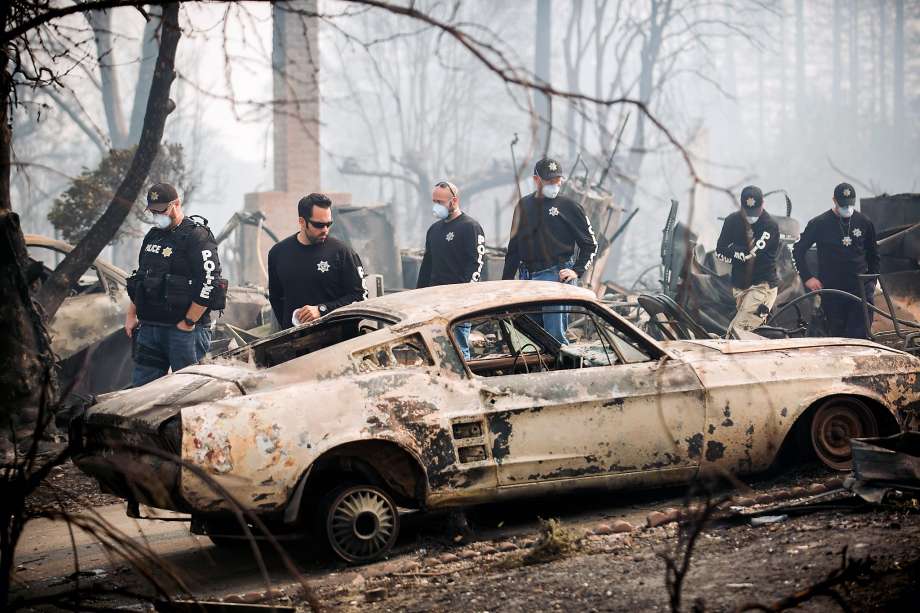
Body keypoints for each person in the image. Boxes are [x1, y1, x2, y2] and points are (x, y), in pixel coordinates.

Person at [125, 183, 224, 387]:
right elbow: (141, 279)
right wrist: (131, 315)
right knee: (142, 393)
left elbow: (210, 281)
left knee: (186, 392)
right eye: (153, 211)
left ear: (176, 204)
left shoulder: (197, 236)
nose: (156, 215)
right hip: (149, 329)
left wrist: (188, 322)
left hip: (184, 331)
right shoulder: (152, 236)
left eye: (161, 210)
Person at [501, 157, 598, 343]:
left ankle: (563, 370)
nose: (555, 184)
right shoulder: (523, 206)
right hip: (526, 278)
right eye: (549, 181)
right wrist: (505, 284)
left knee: (554, 338)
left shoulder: (569, 207)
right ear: (536, 180)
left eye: (558, 180)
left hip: (555, 276)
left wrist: (576, 271)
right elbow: (513, 249)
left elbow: (590, 244)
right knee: (529, 335)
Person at [267, 193, 367, 330]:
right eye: (319, 225)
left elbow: (361, 298)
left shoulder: (342, 252)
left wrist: (322, 310)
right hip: (295, 345)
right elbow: (276, 298)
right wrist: (289, 327)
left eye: (328, 224)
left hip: (337, 342)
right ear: (302, 222)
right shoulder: (278, 254)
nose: (325, 230)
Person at [793, 182, 879, 339]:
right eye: (842, 205)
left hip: (860, 288)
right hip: (832, 289)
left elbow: (874, 254)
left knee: (859, 336)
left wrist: (872, 281)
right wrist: (807, 277)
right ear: (834, 200)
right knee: (837, 335)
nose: (846, 208)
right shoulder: (819, 223)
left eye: (849, 204)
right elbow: (798, 250)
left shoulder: (864, 222)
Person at [417, 180, 486, 359]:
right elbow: (427, 265)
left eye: (439, 202)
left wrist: (463, 295)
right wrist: (418, 296)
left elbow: (475, 265)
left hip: (458, 301)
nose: (436, 206)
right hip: (434, 301)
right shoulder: (433, 230)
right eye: (434, 201)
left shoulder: (470, 227)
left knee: (458, 350)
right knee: (435, 351)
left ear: (453, 201)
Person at [715, 185, 780, 336]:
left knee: (735, 334)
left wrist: (733, 251)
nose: (751, 216)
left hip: (762, 287)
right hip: (740, 287)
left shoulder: (769, 226)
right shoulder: (732, 220)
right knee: (748, 336)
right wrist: (738, 253)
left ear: (763, 204)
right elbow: (720, 249)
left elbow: (751, 254)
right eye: (748, 212)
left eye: (755, 211)